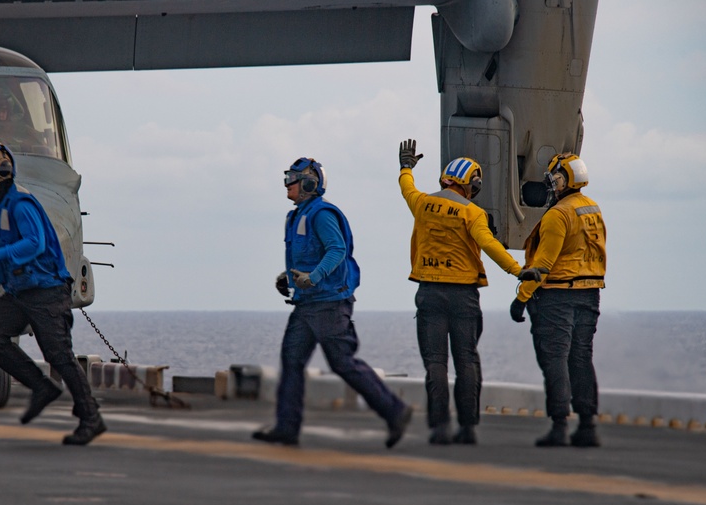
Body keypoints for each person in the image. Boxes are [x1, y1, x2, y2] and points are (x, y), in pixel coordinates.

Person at [253, 157, 414, 448]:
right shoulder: (297, 215)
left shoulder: (322, 213)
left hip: (329, 303)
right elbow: (305, 256)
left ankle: (395, 411)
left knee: (343, 363)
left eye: (294, 177)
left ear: (310, 183)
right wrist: (289, 279)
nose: (288, 182)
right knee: (291, 360)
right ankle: (287, 428)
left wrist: (312, 278)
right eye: (288, 176)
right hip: (307, 303)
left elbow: (336, 249)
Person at [398, 139, 544, 445]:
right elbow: (489, 244)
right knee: (466, 360)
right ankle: (467, 428)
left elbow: (406, 188)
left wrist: (406, 167)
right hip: (463, 295)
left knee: (435, 362)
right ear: (471, 185)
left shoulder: (422, 204)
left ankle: (439, 428)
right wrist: (518, 270)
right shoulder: (473, 213)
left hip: (429, 292)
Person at [0, 142, 106, 446]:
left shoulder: (21, 205)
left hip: (45, 290)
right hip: (19, 292)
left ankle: (90, 417)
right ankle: (41, 387)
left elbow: (36, 243)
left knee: (59, 355)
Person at [510, 153, 606, 448]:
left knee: (556, 360)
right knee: (581, 358)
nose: (550, 184)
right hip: (590, 293)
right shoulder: (592, 208)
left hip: (557, 296)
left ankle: (560, 424)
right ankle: (588, 425)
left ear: (563, 180)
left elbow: (543, 264)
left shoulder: (557, 215)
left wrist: (521, 300)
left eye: (553, 178)